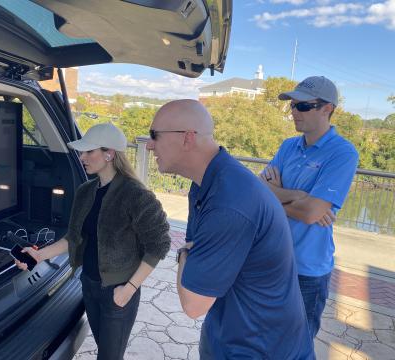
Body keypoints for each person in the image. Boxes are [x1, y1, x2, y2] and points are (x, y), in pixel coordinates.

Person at [147, 99, 314, 359]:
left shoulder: (230, 201)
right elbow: (197, 258)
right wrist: (190, 254)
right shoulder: (206, 183)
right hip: (230, 338)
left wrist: (182, 253)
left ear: (187, 138)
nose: (148, 144)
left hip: (261, 349)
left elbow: (193, 303)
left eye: (154, 135)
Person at [15, 122, 171, 360]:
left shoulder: (137, 196)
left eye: (89, 151)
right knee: (104, 349)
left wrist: (129, 289)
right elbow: (73, 237)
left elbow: (159, 244)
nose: (82, 157)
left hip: (118, 291)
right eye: (82, 151)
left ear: (109, 154)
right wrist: (38, 255)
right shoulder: (86, 191)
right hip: (88, 284)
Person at [259, 76, 359, 340]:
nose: (293, 111)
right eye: (292, 105)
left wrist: (278, 196)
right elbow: (260, 193)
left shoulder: (343, 153)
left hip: (308, 270)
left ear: (327, 109)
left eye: (303, 106)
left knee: (296, 345)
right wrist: (300, 196)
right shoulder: (288, 146)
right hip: (273, 259)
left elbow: (312, 213)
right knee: (265, 337)